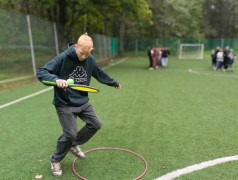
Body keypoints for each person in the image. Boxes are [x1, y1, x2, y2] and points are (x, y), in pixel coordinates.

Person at [36, 33, 121, 178]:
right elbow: (41, 72)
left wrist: (114, 83)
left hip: (82, 101)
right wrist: (56, 79)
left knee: (96, 124)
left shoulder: (89, 59)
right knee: (70, 133)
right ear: (76, 46)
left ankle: (73, 144)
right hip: (64, 103)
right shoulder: (63, 58)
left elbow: (99, 73)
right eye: (82, 53)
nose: (83, 57)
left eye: (87, 54)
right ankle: (55, 159)